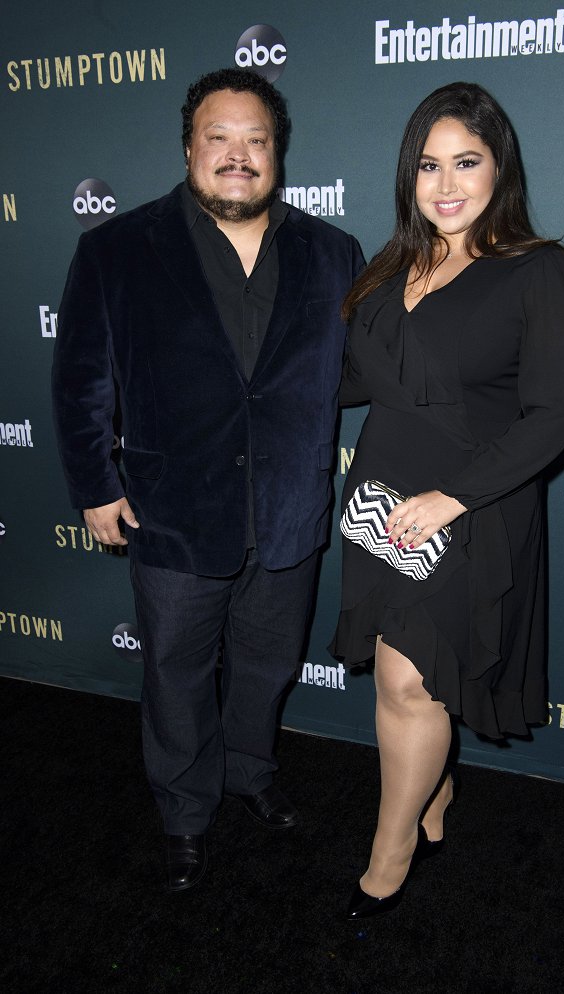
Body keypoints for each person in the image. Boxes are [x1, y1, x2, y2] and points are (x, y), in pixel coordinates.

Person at [52, 67, 364, 892]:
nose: (238, 155)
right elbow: (81, 379)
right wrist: (93, 483)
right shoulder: (116, 248)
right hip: (174, 512)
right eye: (219, 138)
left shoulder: (333, 253)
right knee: (177, 675)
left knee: (265, 668)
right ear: (189, 146)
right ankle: (185, 810)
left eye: (254, 140)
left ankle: (249, 775)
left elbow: (356, 373)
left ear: (276, 152)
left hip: (289, 512)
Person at [329, 81, 564, 919]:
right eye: (426, 165)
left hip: (468, 509)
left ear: (498, 167)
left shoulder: (538, 271)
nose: (445, 184)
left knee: (409, 685)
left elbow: (562, 410)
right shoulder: (389, 265)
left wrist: (455, 496)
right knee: (407, 680)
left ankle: (391, 848)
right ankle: (432, 797)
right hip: (380, 498)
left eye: (465, 161)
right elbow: (351, 379)